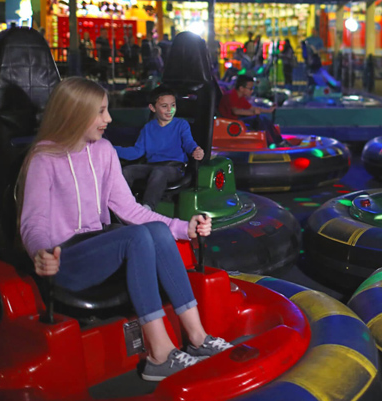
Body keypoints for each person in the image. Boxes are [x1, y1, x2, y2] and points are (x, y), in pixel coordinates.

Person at [18, 77, 232, 382]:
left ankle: (197, 337)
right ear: (75, 112)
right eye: (101, 111)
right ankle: (159, 355)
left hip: (99, 247)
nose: (109, 119)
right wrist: (40, 252)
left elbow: (130, 209)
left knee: (155, 231)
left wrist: (184, 227)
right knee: (135, 237)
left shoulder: (104, 151)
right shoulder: (44, 158)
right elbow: (33, 221)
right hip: (65, 257)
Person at [114, 86, 203, 210]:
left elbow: (189, 143)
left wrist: (195, 150)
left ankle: (147, 208)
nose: (169, 110)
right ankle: (123, 206)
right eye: (164, 106)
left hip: (173, 167)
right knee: (127, 171)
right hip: (152, 166)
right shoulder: (148, 128)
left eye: (173, 105)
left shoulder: (181, 125)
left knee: (159, 172)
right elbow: (136, 152)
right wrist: (112, 150)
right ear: (152, 108)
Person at [218, 74, 286, 146]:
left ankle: (279, 141)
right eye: (250, 89)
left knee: (264, 118)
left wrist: (269, 110)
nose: (252, 91)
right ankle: (270, 143)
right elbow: (236, 111)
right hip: (230, 123)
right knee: (260, 120)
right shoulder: (231, 95)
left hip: (237, 121)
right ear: (241, 88)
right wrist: (253, 113)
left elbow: (252, 108)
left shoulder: (240, 97)